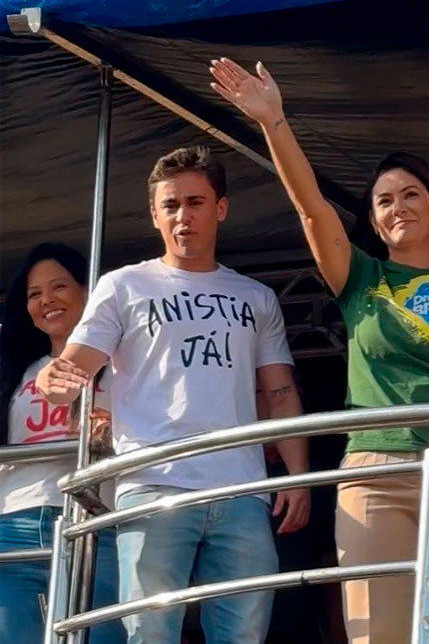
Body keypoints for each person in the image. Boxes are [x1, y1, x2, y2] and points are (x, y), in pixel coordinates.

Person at [209, 57, 429, 643]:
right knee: (380, 630)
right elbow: (311, 208)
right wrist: (274, 122)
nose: (397, 206)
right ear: (373, 221)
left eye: (410, 194)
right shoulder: (361, 280)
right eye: (383, 201)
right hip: (374, 471)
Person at [34, 146, 311, 643]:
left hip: (242, 488)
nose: (183, 216)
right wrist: (49, 380)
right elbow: (72, 365)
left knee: (246, 633)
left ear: (221, 208)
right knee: (149, 632)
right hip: (153, 481)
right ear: (155, 214)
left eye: (196, 202)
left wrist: (297, 476)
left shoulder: (256, 296)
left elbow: (281, 390)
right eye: (171, 205)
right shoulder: (123, 285)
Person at [0, 243, 125, 644]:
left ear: (90, 292)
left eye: (59, 287)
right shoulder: (15, 369)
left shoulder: (126, 363)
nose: (47, 300)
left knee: (101, 637)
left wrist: (110, 433)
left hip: (96, 520)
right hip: (15, 521)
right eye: (34, 295)